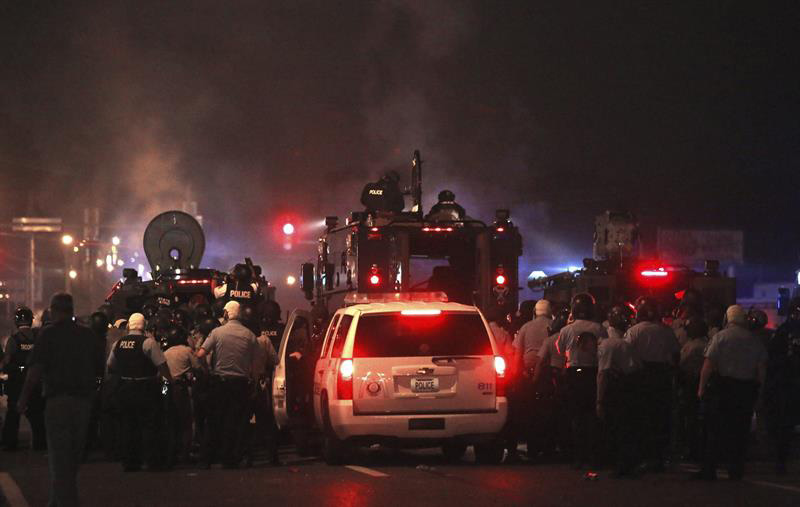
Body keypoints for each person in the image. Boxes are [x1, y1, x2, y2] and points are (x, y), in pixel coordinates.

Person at [17, 293, 97, 507]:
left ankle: (65, 501)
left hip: (58, 400)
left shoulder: (48, 335)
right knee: (74, 455)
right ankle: (60, 500)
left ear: (53, 310)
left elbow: (35, 371)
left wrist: (23, 399)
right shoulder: (87, 335)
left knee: (59, 455)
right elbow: (98, 369)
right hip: (84, 402)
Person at [697, 305, 766, 481]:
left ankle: (710, 468)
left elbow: (708, 365)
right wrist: (760, 392)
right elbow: (761, 371)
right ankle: (736, 469)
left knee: (715, 429)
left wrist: (701, 388)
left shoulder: (720, 337)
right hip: (746, 389)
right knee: (740, 431)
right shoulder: (754, 340)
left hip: (723, 388)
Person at [106, 313, 173, 472]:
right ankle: (151, 461)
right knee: (149, 425)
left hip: (125, 388)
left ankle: (130, 462)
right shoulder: (148, 343)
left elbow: (110, 366)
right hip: (146, 388)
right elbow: (162, 367)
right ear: (144, 326)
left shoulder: (118, 343)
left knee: (128, 426)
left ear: (129, 325)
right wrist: (166, 388)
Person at [196, 301, 258, 469]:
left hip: (220, 383)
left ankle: (207, 459)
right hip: (241, 385)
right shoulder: (250, 335)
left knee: (215, 420)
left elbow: (200, 354)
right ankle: (231, 459)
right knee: (237, 422)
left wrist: (208, 370)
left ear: (225, 314)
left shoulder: (216, 333)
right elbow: (256, 363)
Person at [624, 297, 679, 472]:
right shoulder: (667, 331)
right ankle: (659, 457)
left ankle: (642, 456)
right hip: (661, 376)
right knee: (660, 417)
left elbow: (626, 354)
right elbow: (675, 355)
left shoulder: (634, 331)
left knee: (640, 417)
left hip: (640, 376)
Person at [556, 293, 607, 468]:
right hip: (593, 373)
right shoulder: (599, 328)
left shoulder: (567, 330)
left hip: (574, 375)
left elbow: (560, 349)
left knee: (576, 415)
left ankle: (578, 456)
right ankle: (594, 455)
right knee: (592, 415)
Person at [597, 305, 640, 477]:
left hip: (615, 387)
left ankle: (618, 465)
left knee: (615, 427)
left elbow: (603, 374)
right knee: (626, 427)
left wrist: (599, 400)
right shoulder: (627, 344)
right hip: (629, 385)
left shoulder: (608, 345)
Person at [1, 306, 46, 451]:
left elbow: (6, 364)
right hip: (35, 384)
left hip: (16, 384)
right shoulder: (38, 338)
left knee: (13, 417)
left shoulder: (13, 341)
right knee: (37, 417)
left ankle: (10, 444)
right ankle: (41, 444)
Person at [764, 298, 800, 475]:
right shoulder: (784, 332)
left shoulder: (784, 331)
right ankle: (781, 461)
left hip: (787, 385)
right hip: (788, 384)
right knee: (784, 425)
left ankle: (781, 461)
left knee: (784, 425)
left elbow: (772, 360)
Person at [511, 299, 551, 456]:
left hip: (528, 374)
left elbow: (517, 354)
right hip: (548, 374)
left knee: (530, 411)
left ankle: (532, 446)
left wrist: (516, 375)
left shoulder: (526, 327)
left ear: (535, 312)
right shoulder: (554, 327)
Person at [163, 326, 200, 467]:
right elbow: (198, 367)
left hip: (165, 387)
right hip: (181, 387)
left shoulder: (165, 352)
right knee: (186, 421)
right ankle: (185, 455)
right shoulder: (186, 351)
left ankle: (171, 454)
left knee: (170, 421)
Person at [677, 317, 709, 462]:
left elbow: (682, 363)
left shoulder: (693, 346)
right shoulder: (706, 343)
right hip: (702, 383)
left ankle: (692, 449)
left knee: (690, 417)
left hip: (692, 383)